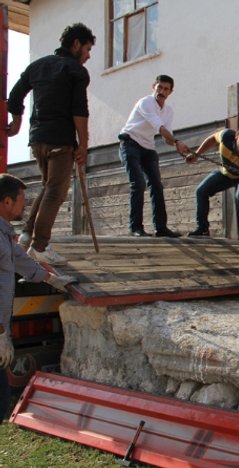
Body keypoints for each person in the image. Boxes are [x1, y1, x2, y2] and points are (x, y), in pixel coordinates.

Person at [7, 23, 95, 265]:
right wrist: (83, 145)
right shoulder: (75, 70)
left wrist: (15, 122)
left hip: (37, 139)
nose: (88, 56)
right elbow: (80, 111)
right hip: (60, 140)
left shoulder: (37, 66)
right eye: (87, 49)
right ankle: (40, 246)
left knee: (48, 187)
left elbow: (14, 96)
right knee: (55, 192)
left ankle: (26, 237)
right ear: (76, 44)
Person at [0, 174, 77, 421]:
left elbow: (22, 261)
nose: (26, 204)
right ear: (7, 202)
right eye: (23, 199)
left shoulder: (4, 235)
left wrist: (50, 278)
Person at [119, 75, 190, 238]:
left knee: (157, 185)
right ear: (154, 87)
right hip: (130, 142)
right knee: (138, 183)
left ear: (171, 92)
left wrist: (179, 148)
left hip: (148, 147)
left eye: (166, 89)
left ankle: (161, 228)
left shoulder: (168, 111)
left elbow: (167, 137)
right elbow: (160, 128)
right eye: (159, 87)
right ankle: (135, 227)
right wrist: (177, 141)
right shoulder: (146, 103)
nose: (162, 92)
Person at [185, 122, 239, 259]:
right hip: (225, 174)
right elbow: (212, 139)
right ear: (237, 135)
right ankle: (203, 229)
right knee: (201, 191)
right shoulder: (225, 136)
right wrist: (197, 154)